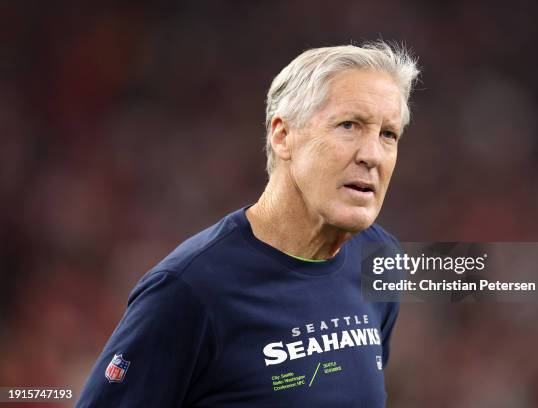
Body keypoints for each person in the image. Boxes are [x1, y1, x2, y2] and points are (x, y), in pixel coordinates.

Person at [77, 40, 419, 407]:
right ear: (282, 135)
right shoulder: (188, 290)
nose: (371, 155)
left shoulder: (380, 259)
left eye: (388, 134)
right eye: (349, 125)